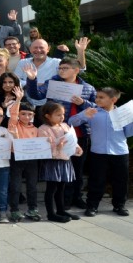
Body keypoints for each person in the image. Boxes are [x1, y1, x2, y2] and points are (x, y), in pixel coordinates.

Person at [24, 58, 96, 208]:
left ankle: (76, 197)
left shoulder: (88, 88)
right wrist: (32, 79)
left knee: (78, 168)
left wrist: (83, 103)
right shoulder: (53, 83)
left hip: (80, 133)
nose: (61, 71)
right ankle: (63, 201)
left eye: (65, 68)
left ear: (76, 70)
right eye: (60, 68)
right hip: (57, 135)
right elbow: (36, 95)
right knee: (61, 168)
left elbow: (96, 108)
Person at [68, 87, 133, 217]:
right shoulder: (93, 112)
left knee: (120, 180)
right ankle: (92, 206)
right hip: (98, 152)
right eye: (97, 97)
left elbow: (128, 133)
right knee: (96, 180)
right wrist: (83, 115)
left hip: (120, 152)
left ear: (113, 99)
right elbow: (71, 122)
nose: (97, 99)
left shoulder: (123, 113)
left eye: (101, 97)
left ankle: (119, 205)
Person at [37, 102, 83, 222]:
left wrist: (77, 147)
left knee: (61, 187)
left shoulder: (65, 126)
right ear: (47, 116)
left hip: (65, 159)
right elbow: (43, 147)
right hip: (53, 162)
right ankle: (50, 214)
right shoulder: (43, 129)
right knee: (51, 188)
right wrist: (57, 145)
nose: (62, 117)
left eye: (63, 114)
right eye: (58, 115)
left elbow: (72, 139)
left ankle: (61, 210)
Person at [7, 87, 41, 222]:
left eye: (30, 114)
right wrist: (19, 100)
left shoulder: (36, 129)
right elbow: (13, 114)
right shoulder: (14, 125)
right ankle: (14, 210)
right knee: (15, 186)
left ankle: (32, 209)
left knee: (32, 186)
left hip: (32, 160)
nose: (27, 117)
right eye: (24, 114)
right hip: (16, 158)